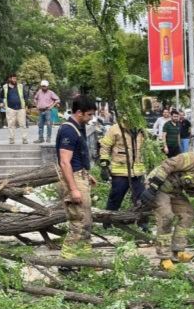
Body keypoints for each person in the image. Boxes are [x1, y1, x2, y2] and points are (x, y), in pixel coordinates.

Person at [55, 95, 97, 264]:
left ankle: (86, 259)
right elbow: (65, 162)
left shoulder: (77, 128)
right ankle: (66, 262)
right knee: (78, 222)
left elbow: (76, 158)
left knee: (86, 220)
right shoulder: (68, 130)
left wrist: (87, 174)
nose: (91, 118)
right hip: (72, 179)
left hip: (80, 176)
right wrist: (73, 189)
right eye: (89, 115)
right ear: (79, 113)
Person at [98, 115, 146, 216]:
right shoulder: (115, 129)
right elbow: (105, 146)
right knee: (115, 198)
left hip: (138, 172)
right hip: (120, 172)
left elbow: (146, 147)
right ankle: (108, 221)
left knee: (141, 199)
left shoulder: (141, 130)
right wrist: (104, 166)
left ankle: (142, 223)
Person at [0, 73, 28, 144]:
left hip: (21, 108)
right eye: (13, 78)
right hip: (10, 108)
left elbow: (25, 96)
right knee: (11, 124)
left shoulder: (20, 86)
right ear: (10, 79)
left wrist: (26, 105)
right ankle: (11, 139)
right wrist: (1, 102)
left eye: (15, 78)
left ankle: (24, 139)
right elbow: (1, 96)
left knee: (23, 124)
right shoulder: (5, 87)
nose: (15, 80)